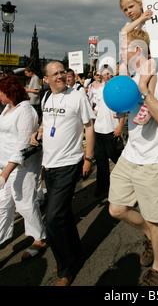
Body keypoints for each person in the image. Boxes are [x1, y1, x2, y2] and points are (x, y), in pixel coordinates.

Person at [108, 29, 158, 287]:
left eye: (123, 49)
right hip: (131, 155)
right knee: (116, 208)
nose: (120, 53)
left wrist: (144, 91)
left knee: (156, 218)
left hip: (155, 159)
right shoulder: (134, 75)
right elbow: (130, 108)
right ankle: (149, 233)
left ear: (137, 50)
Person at [31, 61, 95, 286]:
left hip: (70, 164)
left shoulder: (77, 96)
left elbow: (89, 126)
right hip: (49, 165)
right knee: (64, 214)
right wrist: (37, 133)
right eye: (55, 74)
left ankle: (65, 268)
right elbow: (45, 122)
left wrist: (88, 158)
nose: (60, 76)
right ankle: (74, 252)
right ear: (46, 79)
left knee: (53, 219)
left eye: (62, 72)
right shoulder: (47, 97)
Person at [0, 74, 47, 259]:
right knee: (3, 204)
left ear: (10, 92)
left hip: (22, 166)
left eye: (1, 92)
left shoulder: (26, 111)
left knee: (25, 204)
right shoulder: (7, 109)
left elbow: (22, 146)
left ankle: (39, 237)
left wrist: (5, 173)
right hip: (4, 164)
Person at [93, 67, 124, 196]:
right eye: (104, 74)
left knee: (114, 155)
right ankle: (103, 186)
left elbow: (122, 109)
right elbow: (97, 108)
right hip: (98, 129)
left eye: (108, 74)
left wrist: (120, 126)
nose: (106, 76)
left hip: (111, 129)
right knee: (100, 159)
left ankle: (126, 179)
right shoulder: (99, 90)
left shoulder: (118, 89)